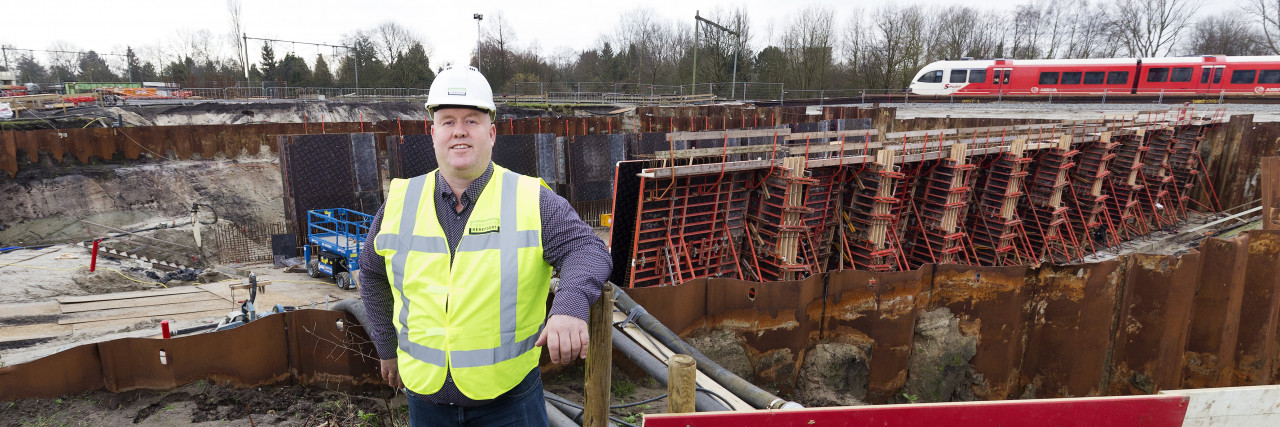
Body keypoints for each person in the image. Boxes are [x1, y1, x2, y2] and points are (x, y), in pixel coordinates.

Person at [358, 65, 611, 426]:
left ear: (491, 133)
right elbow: (371, 273)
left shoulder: (530, 199)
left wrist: (570, 305)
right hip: (426, 404)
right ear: (433, 133)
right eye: (447, 121)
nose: (459, 130)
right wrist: (386, 348)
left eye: (471, 120)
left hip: (509, 404)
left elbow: (587, 249)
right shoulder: (400, 202)